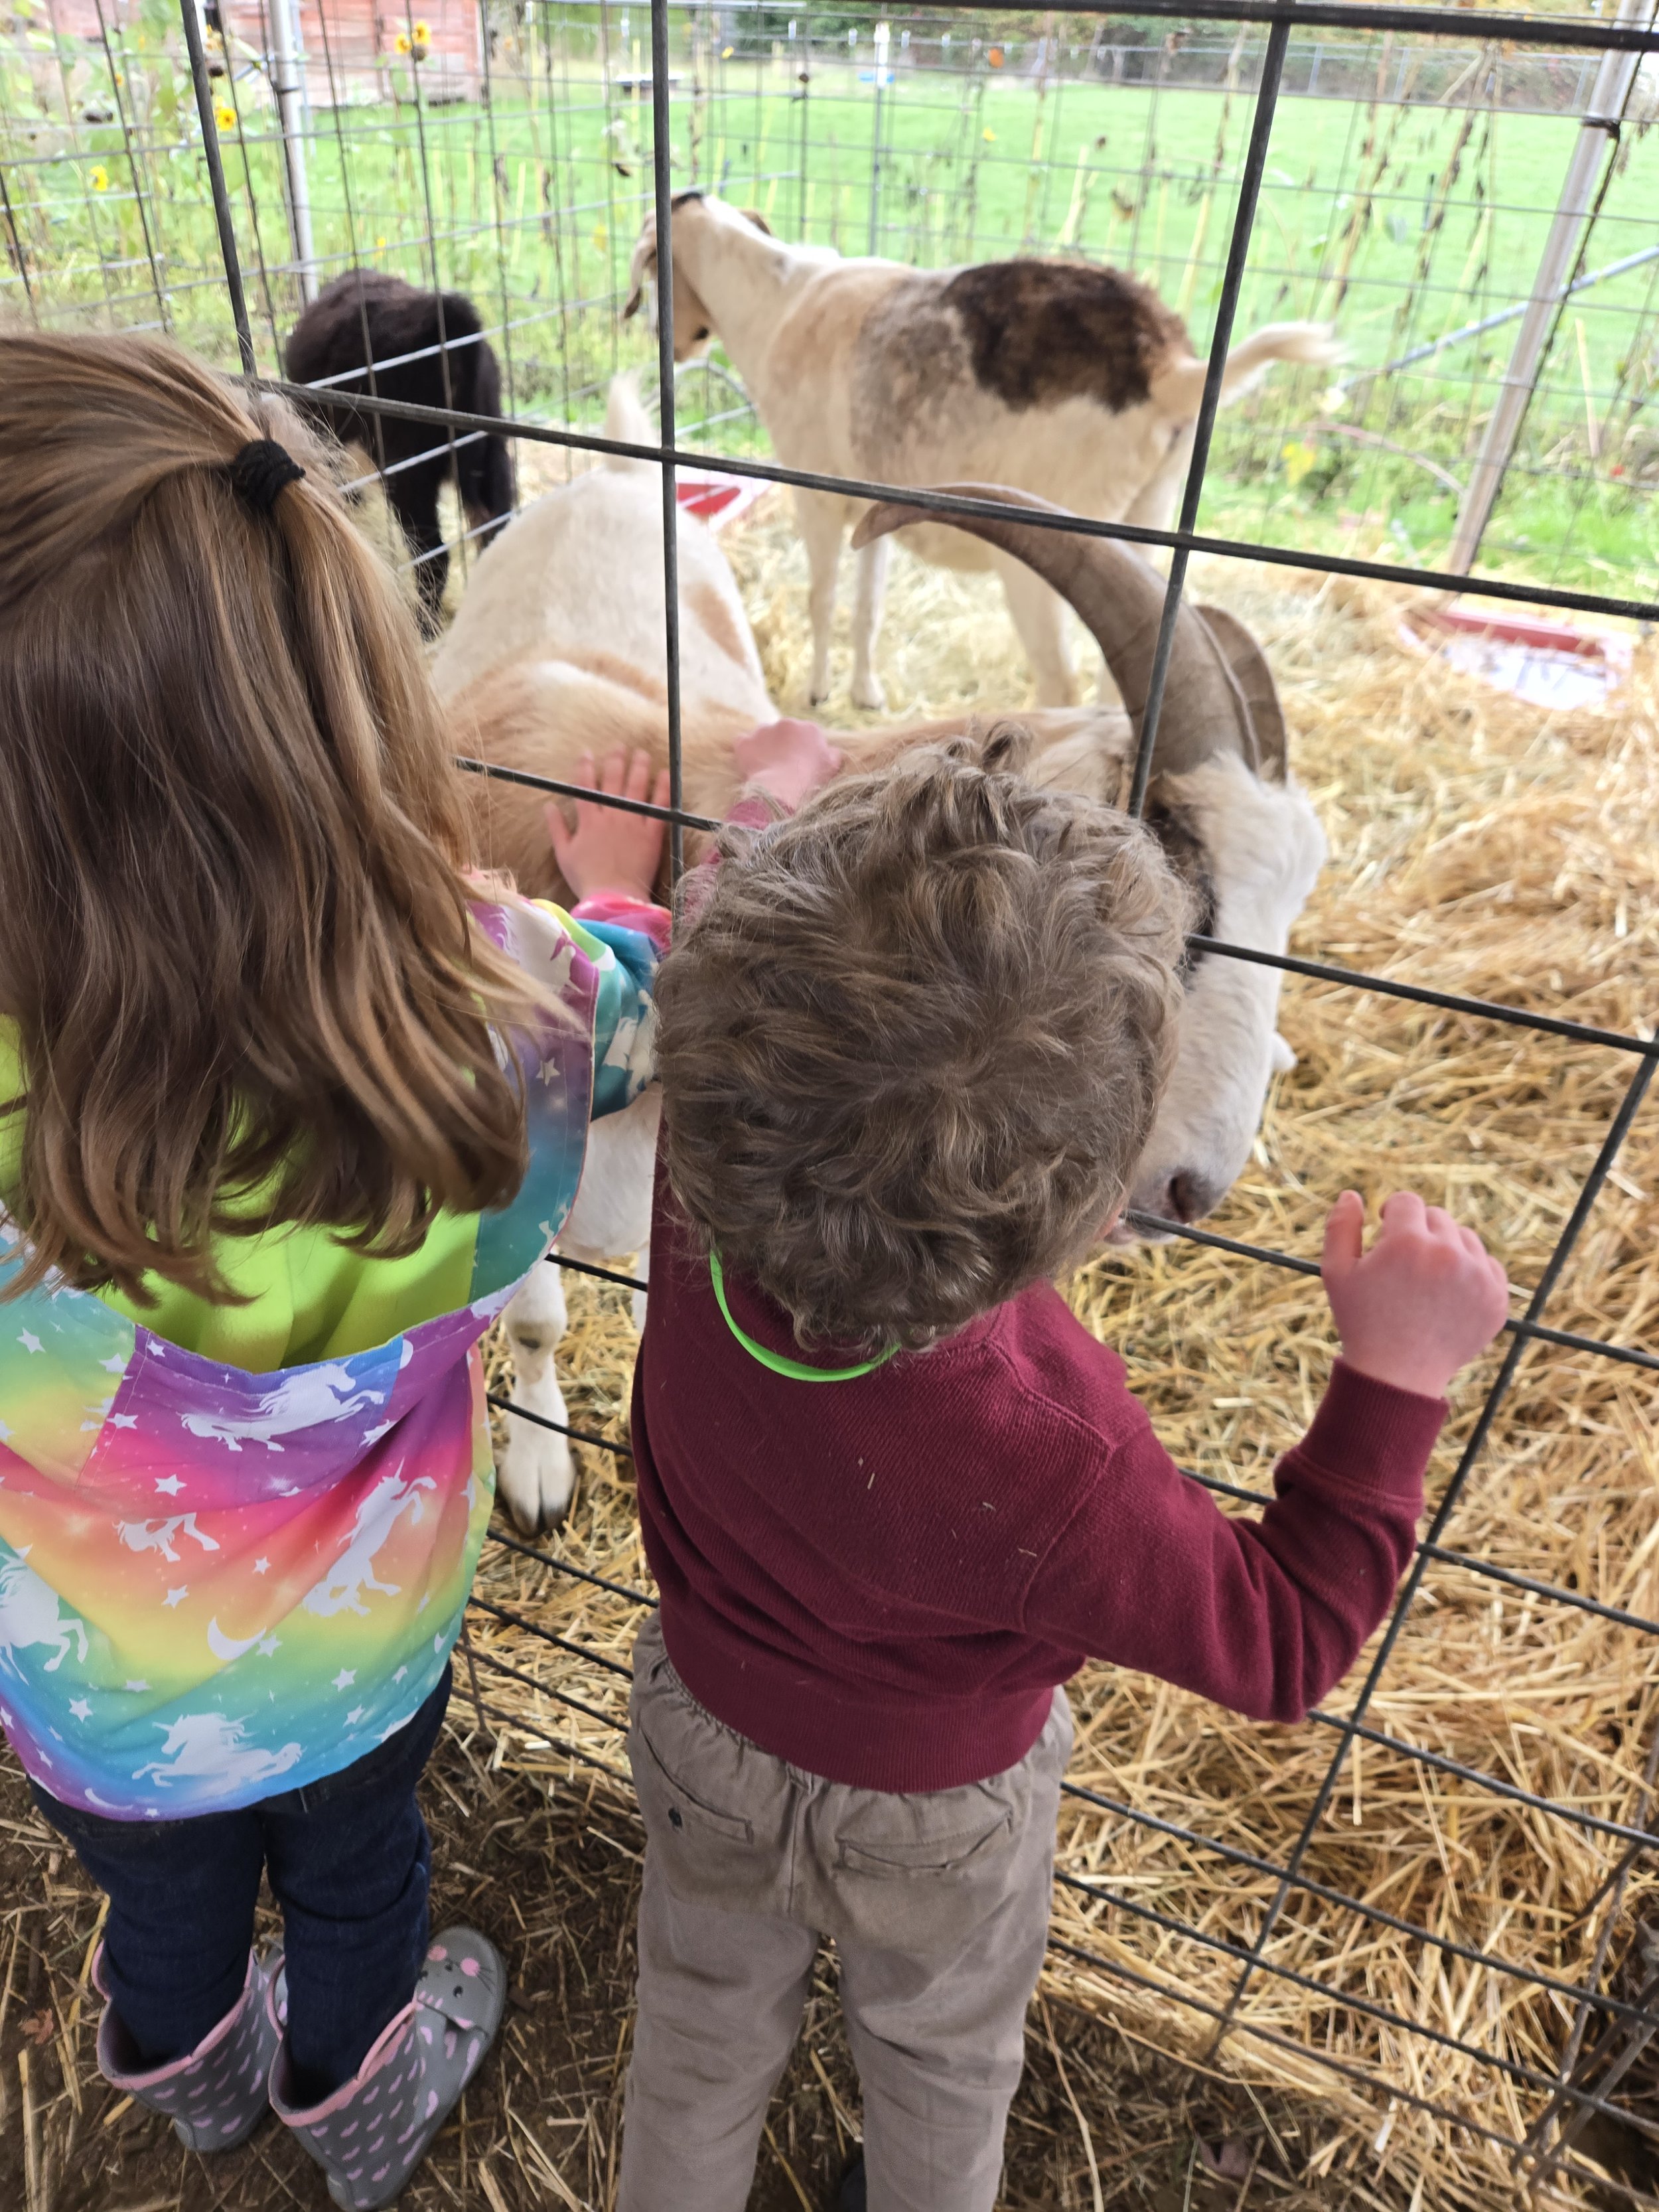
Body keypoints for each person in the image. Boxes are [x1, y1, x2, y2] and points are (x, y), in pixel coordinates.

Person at [621, 724, 1512, 2212]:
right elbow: (1280, 1639)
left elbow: (731, 1027)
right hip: (941, 1811)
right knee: (939, 2059)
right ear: (1100, 1219)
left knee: (699, 2031)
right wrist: (1393, 1379)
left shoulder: (695, 1194)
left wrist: (757, 831)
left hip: (701, 1729)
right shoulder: (1052, 1457)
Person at [0, 329, 678, 2212]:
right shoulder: (483, 1006)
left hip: (83, 1680)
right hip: (360, 1653)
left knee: (155, 1888)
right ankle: (358, 2104)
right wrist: (613, 881)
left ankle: (196, 2074)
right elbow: (627, 1014)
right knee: (364, 1877)